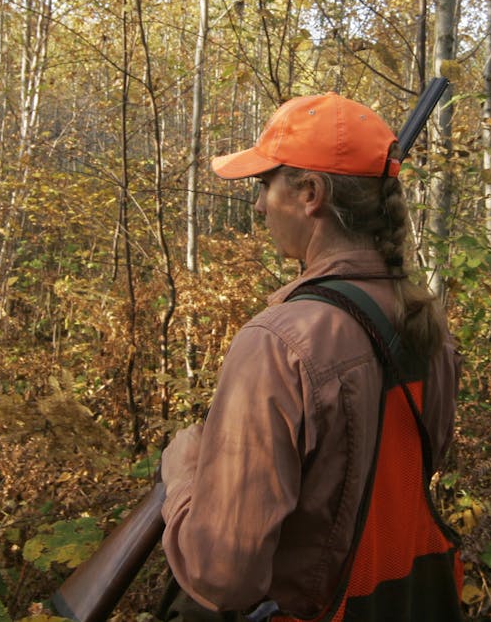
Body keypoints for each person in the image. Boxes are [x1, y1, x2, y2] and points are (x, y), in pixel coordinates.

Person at [158, 92, 462, 622]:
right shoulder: (428, 327)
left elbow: (222, 578)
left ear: (309, 194)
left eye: (263, 185)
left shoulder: (280, 343)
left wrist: (184, 478)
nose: (257, 206)